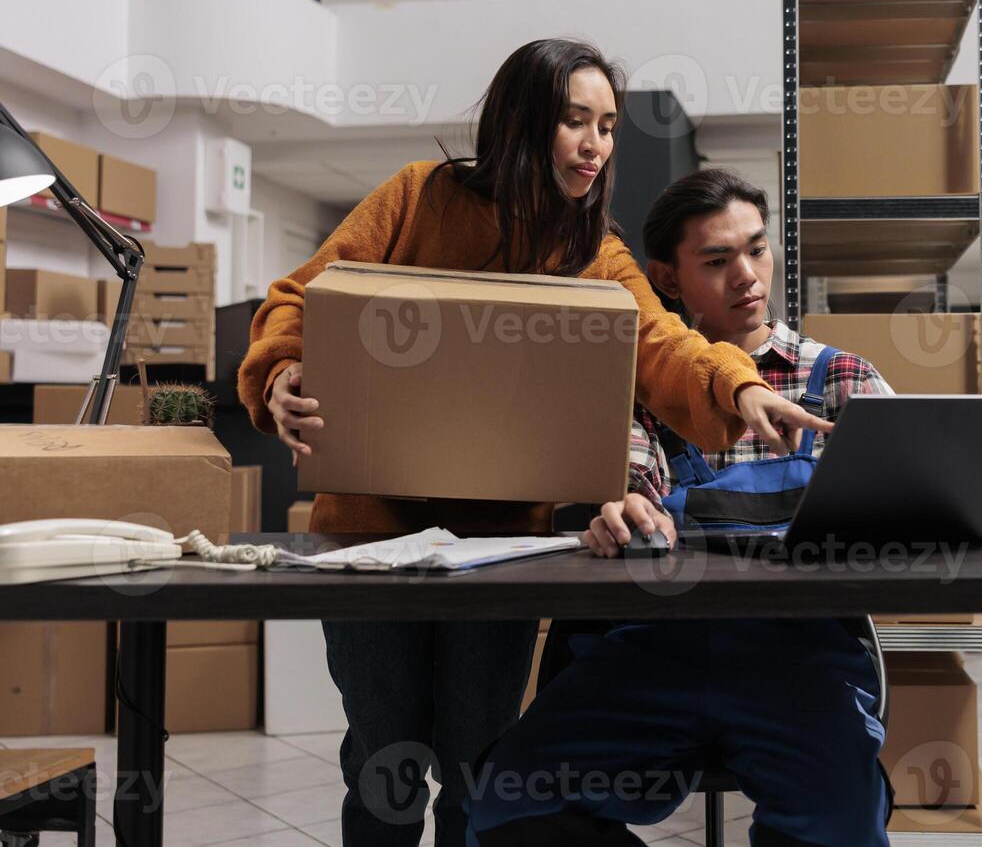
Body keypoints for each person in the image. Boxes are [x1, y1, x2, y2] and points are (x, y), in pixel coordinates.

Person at [236, 43, 833, 847]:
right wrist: (278, 372)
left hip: (500, 546)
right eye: (575, 121)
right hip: (369, 534)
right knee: (386, 757)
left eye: (609, 127)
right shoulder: (418, 196)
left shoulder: (594, 251)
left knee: (478, 759)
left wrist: (741, 384)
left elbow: (662, 344)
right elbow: (301, 296)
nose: (596, 145)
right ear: (523, 121)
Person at [465, 169, 982, 847]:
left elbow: (916, 495)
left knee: (837, 821)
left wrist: (974, 493)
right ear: (667, 279)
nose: (747, 276)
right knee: (507, 801)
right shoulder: (640, 395)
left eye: (756, 250)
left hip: (802, 661)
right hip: (651, 655)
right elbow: (633, 485)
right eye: (718, 260)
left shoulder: (843, 379)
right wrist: (624, 515)